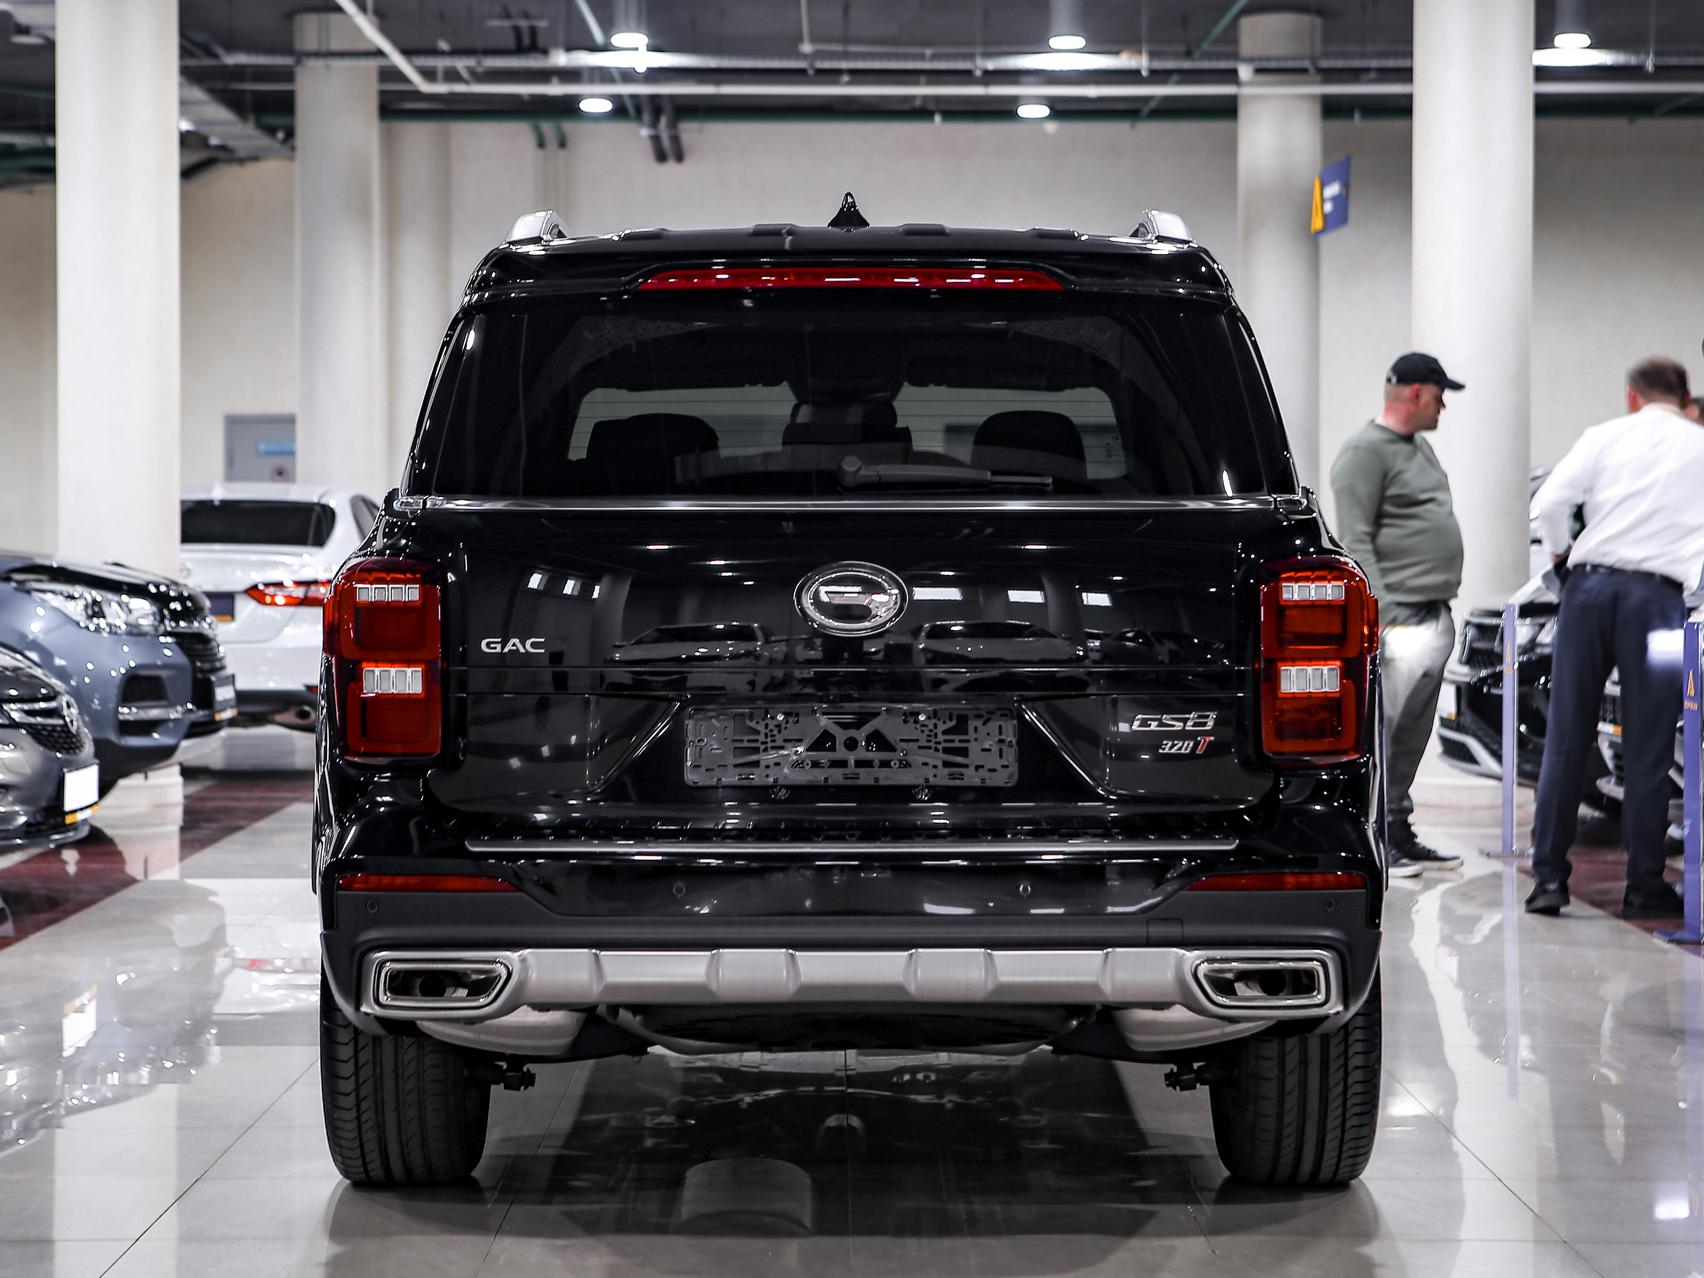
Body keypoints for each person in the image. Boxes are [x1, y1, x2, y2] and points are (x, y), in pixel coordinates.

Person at [1525, 356, 1704, 916]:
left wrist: (1561, 555)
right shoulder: (1700, 446)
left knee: (1566, 739)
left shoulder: (1603, 436)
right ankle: (1644, 885)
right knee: (1650, 746)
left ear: (1632, 396)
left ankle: (1548, 880)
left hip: (1588, 593)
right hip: (1659, 603)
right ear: (1685, 397)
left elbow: (1550, 502)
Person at [1330, 353, 1468, 876]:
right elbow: (1355, 538)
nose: (1442, 406)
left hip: (1431, 610)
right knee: (1382, 731)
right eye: (1438, 396)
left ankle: (1396, 826)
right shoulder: (1364, 453)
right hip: (1399, 616)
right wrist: (1383, 613)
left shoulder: (1420, 448)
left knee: (1411, 732)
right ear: (1414, 393)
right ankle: (1371, 834)